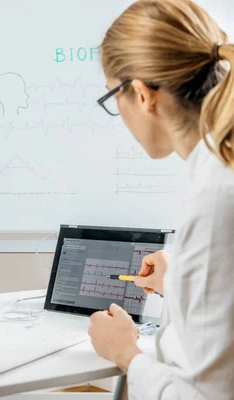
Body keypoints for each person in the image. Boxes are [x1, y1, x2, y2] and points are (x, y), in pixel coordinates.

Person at [88, 1, 234, 398]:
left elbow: (209, 395)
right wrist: (181, 284)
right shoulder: (221, 173)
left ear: (142, 95)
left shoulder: (217, 197)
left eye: (112, 97)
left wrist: (125, 352)